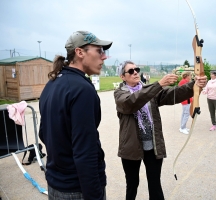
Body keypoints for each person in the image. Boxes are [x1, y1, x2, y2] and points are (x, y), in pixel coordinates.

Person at [114, 60, 207, 200]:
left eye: (137, 69)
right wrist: (158, 85)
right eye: (131, 71)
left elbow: (172, 94)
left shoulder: (149, 90)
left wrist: (194, 85)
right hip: (131, 148)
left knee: (155, 185)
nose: (135, 73)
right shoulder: (120, 94)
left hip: (153, 147)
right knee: (132, 184)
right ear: (122, 76)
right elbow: (131, 102)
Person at [39, 30, 112, 200]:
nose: (104, 57)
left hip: (56, 184)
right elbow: (85, 151)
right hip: (77, 189)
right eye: (99, 51)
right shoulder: (82, 89)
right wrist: (94, 195)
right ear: (80, 52)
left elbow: (43, 133)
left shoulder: (52, 83)